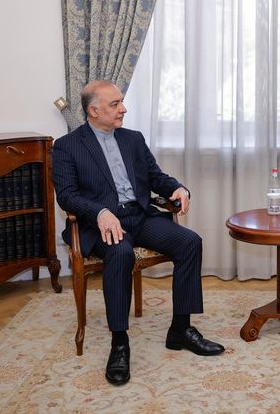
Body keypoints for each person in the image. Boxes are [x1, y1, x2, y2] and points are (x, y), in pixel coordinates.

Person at [52, 80, 224, 386]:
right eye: (115, 104)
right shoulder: (67, 146)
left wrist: (178, 188)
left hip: (139, 216)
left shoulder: (132, 139)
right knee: (120, 254)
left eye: (121, 102)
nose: (123, 109)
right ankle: (120, 343)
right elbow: (66, 195)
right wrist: (100, 212)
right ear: (94, 111)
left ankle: (180, 329)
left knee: (189, 242)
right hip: (102, 223)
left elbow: (155, 177)